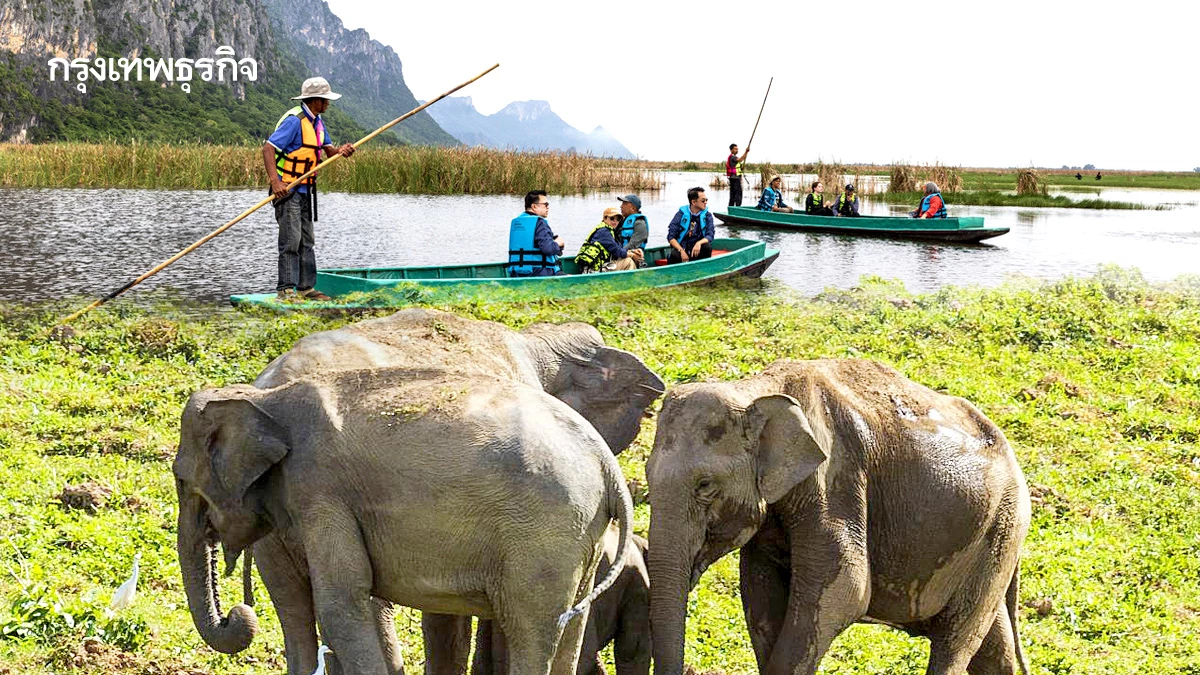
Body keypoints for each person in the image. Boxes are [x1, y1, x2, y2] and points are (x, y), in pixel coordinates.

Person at [263, 76, 356, 302]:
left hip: (307, 191)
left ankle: (306, 288)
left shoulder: (318, 123)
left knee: (307, 240)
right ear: (315, 100)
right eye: (325, 100)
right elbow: (268, 149)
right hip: (288, 191)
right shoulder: (295, 121)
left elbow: (329, 151)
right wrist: (276, 182)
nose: (328, 104)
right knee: (291, 240)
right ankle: (285, 291)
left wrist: (342, 151)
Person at [508, 190, 564, 276]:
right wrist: (558, 243)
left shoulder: (517, 222)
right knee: (576, 281)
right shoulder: (540, 223)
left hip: (517, 273)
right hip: (541, 273)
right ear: (534, 206)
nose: (548, 207)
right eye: (545, 204)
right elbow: (548, 248)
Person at [575, 207, 644, 273]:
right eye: (612, 218)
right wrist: (632, 255)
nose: (615, 221)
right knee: (628, 261)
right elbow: (617, 251)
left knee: (628, 258)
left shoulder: (609, 230)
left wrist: (632, 251)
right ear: (604, 218)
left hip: (601, 265)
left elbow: (618, 248)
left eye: (618, 219)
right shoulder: (603, 232)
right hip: (593, 270)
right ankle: (630, 282)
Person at [667, 187, 714, 264]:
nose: (705, 202)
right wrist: (681, 251)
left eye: (706, 200)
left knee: (707, 247)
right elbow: (671, 237)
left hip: (698, 249)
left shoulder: (707, 216)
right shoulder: (680, 215)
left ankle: (703, 268)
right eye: (703, 201)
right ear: (693, 202)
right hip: (683, 248)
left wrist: (699, 243)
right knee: (675, 255)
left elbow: (710, 235)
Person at [616, 194, 650, 263]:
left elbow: (633, 244)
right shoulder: (621, 221)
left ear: (633, 208)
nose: (621, 206)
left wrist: (618, 253)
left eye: (625, 204)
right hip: (621, 253)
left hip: (633, 258)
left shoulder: (640, 223)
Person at [725, 143, 750, 207]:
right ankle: (737, 207)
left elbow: (737, 166)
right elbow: (741, 159)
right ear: (731, 150)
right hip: (735, 178)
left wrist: (741, 168)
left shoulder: (733, 157)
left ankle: (732, 207)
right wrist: (746, 152)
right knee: (738, 194)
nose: (737, 150)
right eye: (735, 149)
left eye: (737, 149)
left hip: (734, 178)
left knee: (733, 194)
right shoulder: (733, 157)